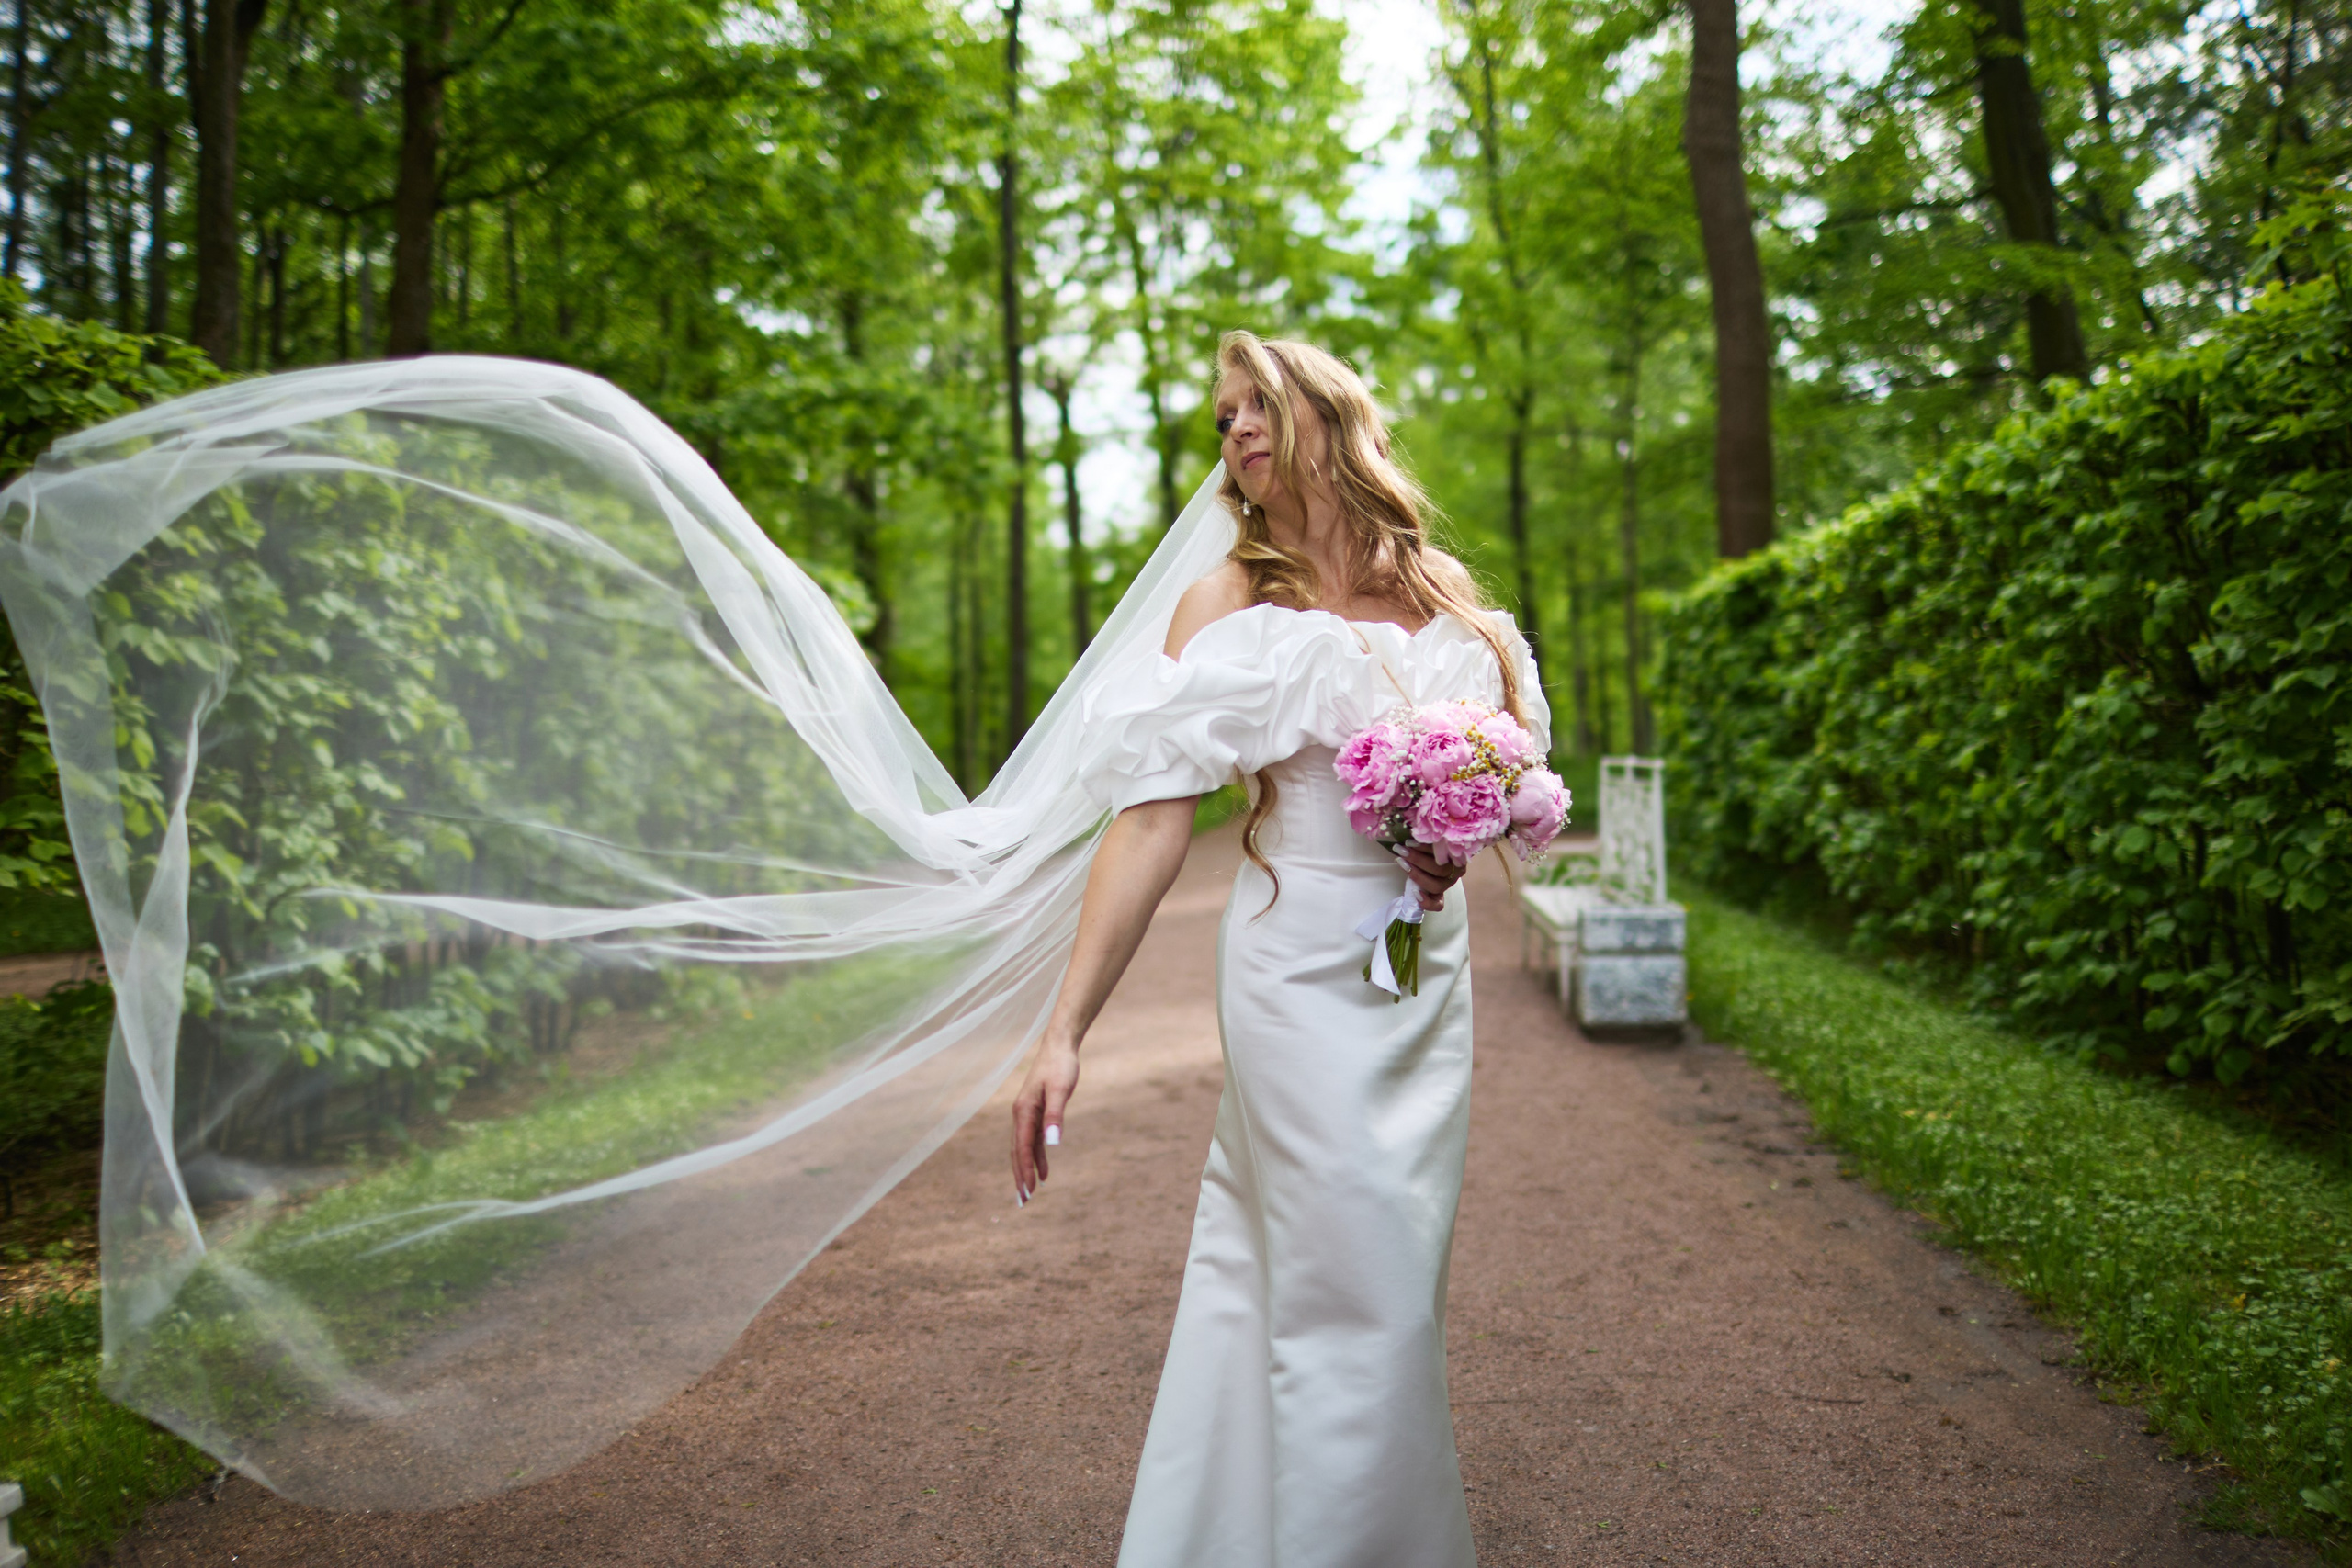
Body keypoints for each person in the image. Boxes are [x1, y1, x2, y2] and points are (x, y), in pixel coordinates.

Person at [1010, 331, 1545, 1567]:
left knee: (1365, 1276)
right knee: (1352, 1285)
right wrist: (1065, 1031)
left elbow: (1519, 792)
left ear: (1329, 415)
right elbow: (1151, 823)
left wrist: (1456, 832)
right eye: (1222, 416)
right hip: (1293, 965)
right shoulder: (1227, 605)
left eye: (1261, 404)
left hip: (1420, 971)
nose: (1237, 429)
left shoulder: (1451, 598)